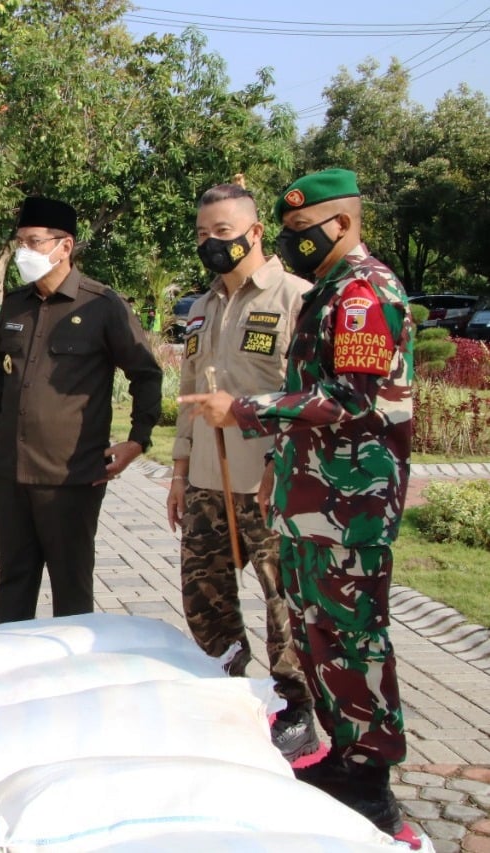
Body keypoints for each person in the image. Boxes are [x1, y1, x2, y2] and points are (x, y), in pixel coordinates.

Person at [180, 169, 420, 844]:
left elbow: (351, 398)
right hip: (315, 496)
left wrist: (244, 410)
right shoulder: (332, 291)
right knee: (324, 638)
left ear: (341, 223)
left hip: (352, 500)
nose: (293, 242)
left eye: (301, 229)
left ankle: (371, 780)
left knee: (354, 639)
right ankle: (346, 757)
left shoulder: (363, 292)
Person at [167, 183, 317, 762]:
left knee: (283, 604)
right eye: (203, 233)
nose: (211, 242)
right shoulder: (202, 307)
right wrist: (179, 471)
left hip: (269, 483)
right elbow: (189, 389)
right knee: (204, 598)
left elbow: (307, 395)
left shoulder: (295, 298)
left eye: (223, 232)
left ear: (255, 233)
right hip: (207, 479)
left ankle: (296, 709)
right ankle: (228, 690)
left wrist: (283, 461)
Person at [0, 197, 162, 622]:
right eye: (19, 242)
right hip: (10, 472)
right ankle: (9, 657)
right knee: (13, 580)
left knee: (71, 585)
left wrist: (137, 440)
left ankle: (75, 659)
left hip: (70, 476)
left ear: (65, 246)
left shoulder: (101, 305)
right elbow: (2, 377)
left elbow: (146, 373)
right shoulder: (15, 304)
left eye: (34, 242)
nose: (23, 252)